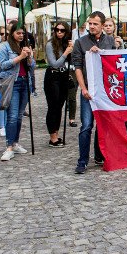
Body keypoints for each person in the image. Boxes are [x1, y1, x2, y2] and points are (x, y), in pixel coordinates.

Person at [71, 11, 114, 174]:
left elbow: (113, 62)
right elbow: (77, 67)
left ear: (102, 25)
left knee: (103, 125)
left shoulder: (110, 41)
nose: (92, 26)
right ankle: (82, 161)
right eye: (90, 23)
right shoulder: (80, 42)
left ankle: (99, 155)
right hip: (88, 90)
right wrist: (83, 88)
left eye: (95, 24)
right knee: (87, 125)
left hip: (104, 91)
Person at [0, 22, 34, 161]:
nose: (21, 35)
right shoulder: (5, 46)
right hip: (12, 82)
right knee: (12, 116)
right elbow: (3, 65)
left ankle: (15, 143)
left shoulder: (25, 46)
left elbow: (32, 65)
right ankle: (9, 147)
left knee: (19, 116)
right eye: (18, 33)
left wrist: (30, 57)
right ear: (12, 33)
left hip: (25, 82)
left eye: (23, 33)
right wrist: (20, 57)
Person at [44, 21, 72, 148]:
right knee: (53, 106)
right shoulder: (50, 44)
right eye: (57, 30)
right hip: (53, 76)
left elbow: (71, 61)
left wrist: (71, 50)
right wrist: (66, 53)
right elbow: (54, 64)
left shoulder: (66, 44)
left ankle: (56, 132)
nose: (59, 32)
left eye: (62, 30)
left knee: (60, 106)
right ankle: (52, 137)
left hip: (63, 76)